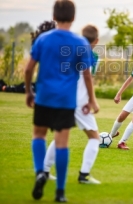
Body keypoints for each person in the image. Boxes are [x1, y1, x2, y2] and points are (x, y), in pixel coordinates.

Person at [24, 0, 99, 202]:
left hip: (44, 96)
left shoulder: (43, 39)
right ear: (73, 18)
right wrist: (92, 100)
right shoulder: (80, 43)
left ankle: (41, 171)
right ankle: (60, 192)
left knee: (38, 136)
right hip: (66, 100)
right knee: (62, 143)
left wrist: (29, 92)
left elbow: (29, 69)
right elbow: (87, 75)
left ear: (54, 16)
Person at [43, 24, 101, 184]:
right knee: (94, 137)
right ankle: (84, 175)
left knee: (60, 136)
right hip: (80, 102)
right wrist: (92, 101)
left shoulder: (69, 51)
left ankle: (45, 171)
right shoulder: (90, 54)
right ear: (96, 40)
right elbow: (88, 77)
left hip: (64, 99)